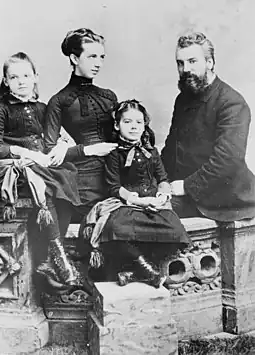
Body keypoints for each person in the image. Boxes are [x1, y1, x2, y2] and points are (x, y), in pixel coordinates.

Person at [0, 52, 83, 291]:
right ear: (6, 81)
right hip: (14, 166)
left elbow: (53, 137)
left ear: (35, 77)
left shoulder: (42, 107)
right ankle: (59, 257)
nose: (22, 81)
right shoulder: (0, 109)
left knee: (68, 179)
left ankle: (51, 259)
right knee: (44, 188)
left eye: (27, 75)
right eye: (14, 77)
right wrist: (26, 154)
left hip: (41, 161)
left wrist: (59, 145)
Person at [81, 99, 190, 288]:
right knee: (115, 229)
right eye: (127, 122)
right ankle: (147, 270)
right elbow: (114, 186)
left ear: (144, 125)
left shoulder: (151, 152)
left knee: (176, 232)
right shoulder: (115, 154)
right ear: (117, 125)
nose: (134, 127)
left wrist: (162, 197)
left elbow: (163, 178)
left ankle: (134, 273)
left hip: (154, 204)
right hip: (127, 203)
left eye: (139, 122)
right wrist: (137, 201)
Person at [161, 32, 255, 221]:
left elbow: (227, 161)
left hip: (224, 199)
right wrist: (160, 180)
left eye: (192, 61)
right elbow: (172, 149)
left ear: (210, 63)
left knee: (152, 217)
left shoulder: (231, 103)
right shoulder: (183, 100)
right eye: (180, 63)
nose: (185, 69)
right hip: (187, 192)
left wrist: (186, 187)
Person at [43, 28, 118, 223]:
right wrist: (89, 150)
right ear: (75, 59)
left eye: (101, 57)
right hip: (84, 182)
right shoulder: (59, 101)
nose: (98, 63)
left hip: (115, 175)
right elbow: (50, 154)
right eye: (92, 56)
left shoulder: (109, 96)